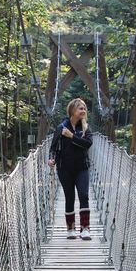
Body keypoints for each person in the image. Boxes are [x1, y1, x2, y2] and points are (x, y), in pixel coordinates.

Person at [48, 98, 93, 240]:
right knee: (69, 197)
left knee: (84, 195)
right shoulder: (61, 127)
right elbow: (53, 148)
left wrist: (71, 136)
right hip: (64, 168)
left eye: (84, 108)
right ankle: (71, 229)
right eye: (81, 108)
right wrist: (51, 159)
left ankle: (85, 228)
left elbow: (88, 144)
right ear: (73, 110)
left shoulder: (86, 128)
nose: (83, 110)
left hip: (82, 168)